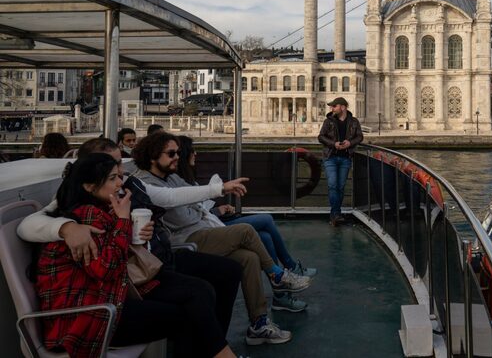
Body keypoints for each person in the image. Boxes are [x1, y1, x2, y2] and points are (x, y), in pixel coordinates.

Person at [18, 138, 244, 343]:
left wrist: (219, 188)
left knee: (227, 273)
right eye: (113, 168)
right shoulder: (79, 204)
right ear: (89, 169)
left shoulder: (127, 184)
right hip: (134, 274)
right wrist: (66, 228)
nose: (121, 172)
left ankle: (215, 348)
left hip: (150, 259)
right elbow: (27, 225)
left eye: (119, 166)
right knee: (198, 296)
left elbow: (170, 197)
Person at [132, 131, 310, 345]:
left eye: (178, 152)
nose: (177, 157)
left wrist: (196, 207)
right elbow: (181, 216)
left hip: (200, 230)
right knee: (245, 230)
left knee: (249, 258)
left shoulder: (172, 177)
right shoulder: (146, 184)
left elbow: (191, 204)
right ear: (153, 156)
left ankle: (259, 323)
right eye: (171, 153)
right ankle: (277, 275)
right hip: (187, 240)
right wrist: (207, 199)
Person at [176, 135, 316, 312]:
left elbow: (195, 210)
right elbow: (188, 216)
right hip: (207, 229)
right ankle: (285, 273)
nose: (195, 153)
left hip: (211, 224)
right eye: (192, 150)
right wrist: (216, 207)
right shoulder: (173, 184)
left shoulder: (184, 179)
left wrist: (216, 208)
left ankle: (280, 288)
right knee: (262, 222)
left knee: (264, 235)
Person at [318, 97, 363, 226]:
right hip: (330, 157)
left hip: (345, 158)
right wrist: (334, 144)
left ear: (343, 107)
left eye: (334, 106)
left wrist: (350, 143)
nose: (332, 108)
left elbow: (360, 136)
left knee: (341, 187)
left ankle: (335, 215)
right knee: (333, 185)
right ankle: (336, 213)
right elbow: (320, 137)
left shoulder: (354, 122)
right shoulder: (328, 121)